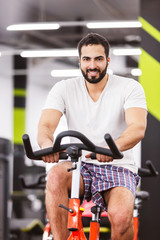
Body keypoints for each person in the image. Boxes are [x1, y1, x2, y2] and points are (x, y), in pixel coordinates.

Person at [37, 33, 147, 240]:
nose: (92, 65)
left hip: (118, 165)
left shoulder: (129, 87)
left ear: (107, 60)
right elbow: (45, 125)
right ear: (80, 61)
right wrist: (47, 146)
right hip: (80, 165)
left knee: (122, 219)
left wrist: (112, 149)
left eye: (98, 59)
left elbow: (137, 128)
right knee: (55, 175)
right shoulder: (64, 88)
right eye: (86, 59)